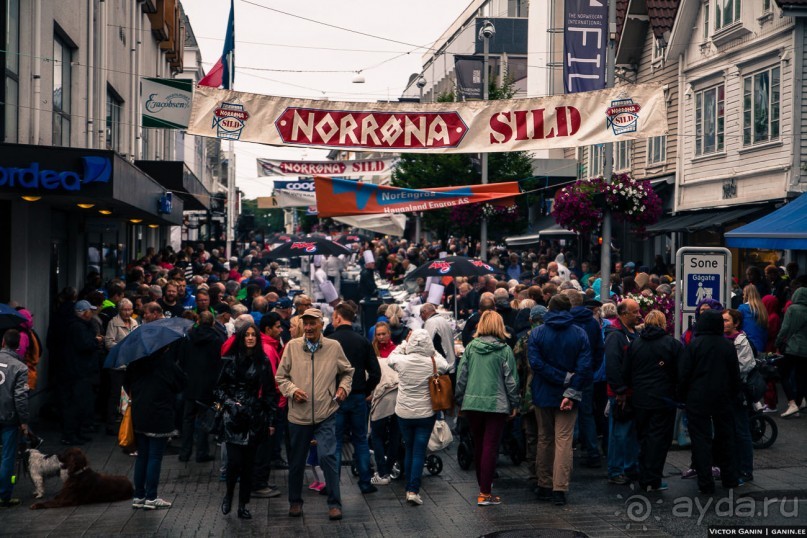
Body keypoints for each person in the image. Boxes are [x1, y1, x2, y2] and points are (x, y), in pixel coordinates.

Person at [275, 308, 354, 521]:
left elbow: (347, 371)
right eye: (306, 324)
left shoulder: (333, 346)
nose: (309, 328)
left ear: (321, 324)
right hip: (298, 416)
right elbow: (280, 377)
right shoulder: (292, 347)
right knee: (297, 461)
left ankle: (335, 504)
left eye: (313, 324)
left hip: (326, 412)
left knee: (328, 456)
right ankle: (295, 502)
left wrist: (343, 389)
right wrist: (292, 391)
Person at [528, 294, 592, 506]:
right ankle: (560, 488)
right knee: (564, 440)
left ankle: (544, 484)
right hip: (569, 393)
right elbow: (584, 367)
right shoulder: (579, 334)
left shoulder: (537, 333)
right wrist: (570, 388)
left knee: (544, 437)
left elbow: (536, 364)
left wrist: (558, 378)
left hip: (543, 392)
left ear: (549, 308)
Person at [455, 311, 520, 506]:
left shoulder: (470, 348)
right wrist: (514, 403)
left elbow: (461, 377)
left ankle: (484, 489)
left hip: (473, 403)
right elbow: (511, 381)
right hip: (496, 404)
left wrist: (460, 400)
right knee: (490, 446)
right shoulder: (504, 350)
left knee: (479, 444)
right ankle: (485, 491)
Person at [215, 324, 277, 520]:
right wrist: (231, 403)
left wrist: (271, 421)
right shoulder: (230, 360)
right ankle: (229, 495)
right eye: (247, 335)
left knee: (249, 465)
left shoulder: (263, 362)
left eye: (253, 335)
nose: (250, 338)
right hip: (233, 417)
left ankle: (242, 504)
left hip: (254, 416)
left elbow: (269, 393)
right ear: (241, 338)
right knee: (234, 463)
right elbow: (218, 389)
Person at [679, 309, 741, 494]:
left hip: (698, 398)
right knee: (726, 437)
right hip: (722, 397)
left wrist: (682, 396)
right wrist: (734, 394)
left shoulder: (694, 345)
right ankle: (730, 477)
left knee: (701, 439)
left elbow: (684, 374)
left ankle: (705, 482)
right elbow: (734, 375)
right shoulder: (727, 345)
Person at [622, 310, 682, 492]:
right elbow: (681, 372)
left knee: (643, 436)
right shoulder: (672, 344)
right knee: (659, 439)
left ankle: (643, 473)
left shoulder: (635, 344)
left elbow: (626, 372)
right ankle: (653, 477)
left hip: (640, 398)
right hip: (664, 398)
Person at [387, 329, 449, 506]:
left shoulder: (402, 361)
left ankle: (408, 486)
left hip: (404, 413)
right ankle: (413, 490)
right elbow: (445, 365)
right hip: (426, 413)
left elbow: (391, 358)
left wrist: (404, 343)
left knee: (409, 448)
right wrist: (432, 350)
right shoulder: (433, 362)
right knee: (419, 451)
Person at [125, 337, 187, 510]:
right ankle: (151, 496)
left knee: (142, 456)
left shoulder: (135, 363)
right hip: (160, 414)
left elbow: (126, 384)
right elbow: (180, 384)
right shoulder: (166, 363)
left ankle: (139, 496)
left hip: (139, 413)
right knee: (154, 456)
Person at [327, 303, 381, 495]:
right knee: (360, 440)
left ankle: (332, 484)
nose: (332, 321)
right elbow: (375, 372)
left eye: (333, 317)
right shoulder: (363, 341)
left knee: (336, 441)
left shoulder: (329, 341)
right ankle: (365, 482)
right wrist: (365, 390)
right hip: (358, 396)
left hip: (335, 398)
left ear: (339, 318)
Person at [178, 311, 224, 463]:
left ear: (198, 320)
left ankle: (185, 453)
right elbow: (219, 364)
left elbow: (182, 360)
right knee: (204, 419)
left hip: (190, 383)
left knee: (188, 419)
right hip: (207, 386)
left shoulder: (189, 337)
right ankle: (202, 452)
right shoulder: (217, 339)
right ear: (212, 323)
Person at [604, 299, 641, 485]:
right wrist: (619, 390)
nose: (638, 315)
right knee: (619, 433)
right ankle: (616, 470)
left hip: (633, 391)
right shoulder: (616, 336)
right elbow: (612, 365)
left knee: (631, 432)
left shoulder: (634, 333)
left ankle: (629, 467)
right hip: (621, 393)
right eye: (635, 312)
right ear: (624, 314)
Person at [61, 300, 103, 446]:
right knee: (75, 405)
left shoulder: (82, 326)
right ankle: (70, 434)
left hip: (82, 371)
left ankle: (78, 432)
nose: (92, 313)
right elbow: (83, 345)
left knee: (82, 404)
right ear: (83, 312)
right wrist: (95, 341)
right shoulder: (77, 327)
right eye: (89, 311)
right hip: (77, 372)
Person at [722, 309, 755, 483]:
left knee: (741, 431)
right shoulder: (720, 339)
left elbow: (745, 366)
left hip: (737, 391)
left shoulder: (741, 341)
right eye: (722, 320)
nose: (724, 323)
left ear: (736, 323)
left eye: (727, 320)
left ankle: (746, 469)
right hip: (723, 392)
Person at [369, 322, 401, 486]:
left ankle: (384, 471)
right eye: (378, 334)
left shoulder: (397, 350)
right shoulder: (372, 350)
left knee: (387, 435)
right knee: (380, 435)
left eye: (383, 334)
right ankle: (384, 469)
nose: (381, 337)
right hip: (382, 396)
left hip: (390, 396)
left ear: (389, 334)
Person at [0, 330, 29, 508]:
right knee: (7, 457)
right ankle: (4, 496)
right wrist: (24, 421)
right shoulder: (19, 367)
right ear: (18, 346)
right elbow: (20, 397)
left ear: (3, 342)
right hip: (8, 418)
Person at [104, 298, 138, 436]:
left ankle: (129, 423)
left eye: (129, 309)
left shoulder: (135, 323)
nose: (127, 312)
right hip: (118, 365)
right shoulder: (113, 323)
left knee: (131, 395)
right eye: (124, 309)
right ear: (119, 310)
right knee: (115, 395)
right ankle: (110, 425)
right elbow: (108, 343)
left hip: (131, 365)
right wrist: (123, 347)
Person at [775, 287, 807, 418]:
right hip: (805, 350)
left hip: (792, 347)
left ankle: (792, 403)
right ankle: (800, 403)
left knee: (784, 374)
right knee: (801, 377)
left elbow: (785, 328)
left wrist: (777, 343)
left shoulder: (792, 309)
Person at [420, 303, 456, 375]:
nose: (421, 318)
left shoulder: (431, 322)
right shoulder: (444, 320)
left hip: (442, 366)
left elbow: (426, 344)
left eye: (420, 315)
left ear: (424, 312)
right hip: (451, 362)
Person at [738, 285, 768, 354]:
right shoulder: (762, 309)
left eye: (743, 294)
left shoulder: (742, 308)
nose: (743, 296)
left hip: (747, 345)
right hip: (760, 344)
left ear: (747, 295)